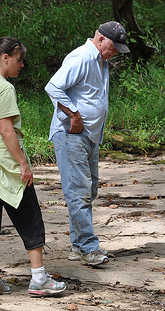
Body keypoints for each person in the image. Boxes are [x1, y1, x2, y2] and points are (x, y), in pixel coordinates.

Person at [0, 37, 66, 297]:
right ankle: (39, 278)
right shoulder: (3, 88)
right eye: (19, 60)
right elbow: (7, 131)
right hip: (5, 164)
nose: (22, 65)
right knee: (29, 217)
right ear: (5, 58)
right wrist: (23, 164)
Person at [45, 21, 130, 266]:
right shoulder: (81, 57)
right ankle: (87, 247)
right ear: (101, 39)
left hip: (90, 136)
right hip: (72, 134)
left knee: (87, 191)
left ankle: (77, 245)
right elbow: (53, 87)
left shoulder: (101, 61)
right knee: (79, 191)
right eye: (113, 47)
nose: (115, 53)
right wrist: (74, 114)